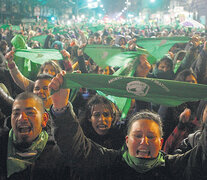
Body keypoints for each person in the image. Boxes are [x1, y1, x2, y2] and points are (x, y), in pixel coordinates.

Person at [49, 72, 207, 180]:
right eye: (137, 136)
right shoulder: (110, 163)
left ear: (160, 142)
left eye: (151, 137)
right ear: (127, 140)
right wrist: (60, 108)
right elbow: (77, 150)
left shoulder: (175, 167)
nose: (144, 142)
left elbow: (202, 158)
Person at [0, 92, 70, 179]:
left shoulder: (59, 155)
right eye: (16, 113)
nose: (22, 118)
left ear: (44, 119)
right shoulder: (3, 144)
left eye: (30, 113)